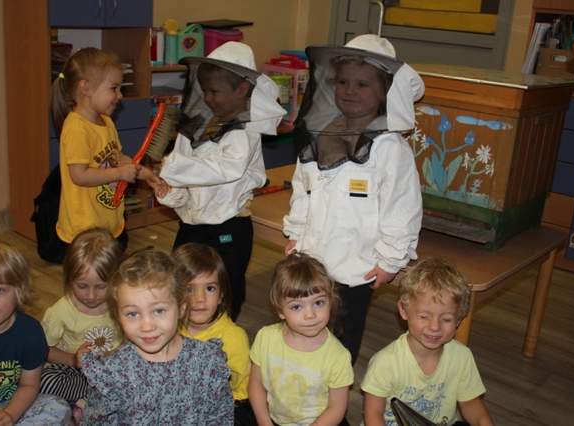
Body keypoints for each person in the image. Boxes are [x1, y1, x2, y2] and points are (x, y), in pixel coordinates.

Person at [283, 35, 424, 363]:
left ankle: (336, 387)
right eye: (343, 82)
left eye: (362, 84)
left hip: (357, 267)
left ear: (385, 91)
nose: (349, 91)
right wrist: (296, 233)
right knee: (306, 324)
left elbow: (403, 209)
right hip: (312, 260)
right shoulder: (322, 137)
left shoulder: (390, 148)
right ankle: (305, 378)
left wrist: (390, 261)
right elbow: (303, 190)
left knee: (344, 333)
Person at [157, 41, 286, 320]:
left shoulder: (245, 132)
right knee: (181, 281)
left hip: (228, 226)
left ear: (242, 90)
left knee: (224, 289)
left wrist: (174, 168)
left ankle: (221, 337)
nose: (208, 98)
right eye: (204, 90)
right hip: (191, 224)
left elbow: (225, 169)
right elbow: (184, 176)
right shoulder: (197, 127)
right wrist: (170, 191)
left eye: (214, 91)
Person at [80, 247, 233, 425]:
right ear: (118, 317)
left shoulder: (207, 362)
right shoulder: (113, 372)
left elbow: (221, 417)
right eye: (132, 314)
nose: (147, 326)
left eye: (159, 311)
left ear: (181, 309)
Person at [50, 47, 167, 262]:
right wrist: (119, 174)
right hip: (84, 230)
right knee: (90, 278)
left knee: (110, 274)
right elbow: (79, 175)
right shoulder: (77, 128)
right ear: (85, 88)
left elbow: (117, 158)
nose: (120, 95)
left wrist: (146, 174)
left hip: (108, 221)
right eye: (114, 88)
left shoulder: (105, 121)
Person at [361, 257, 494, 426]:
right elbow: (373, 413)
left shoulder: (462, 356)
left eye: (446, 319)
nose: (434, 327)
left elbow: (470, 402)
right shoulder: (386, 362)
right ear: (403, 310)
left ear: (460, 318)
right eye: (424, 317)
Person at [0, 239, 70, 425]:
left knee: (59, 406)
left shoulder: (31, 333)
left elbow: (28, 385)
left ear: (19, 293)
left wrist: (11, 414)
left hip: (17, 402)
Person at [249, 252, 354, 426]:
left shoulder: (338, 356)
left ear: (330, 302)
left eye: (318, 303)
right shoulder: (265, 338)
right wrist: (264, 422)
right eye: (297, 306)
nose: (310, 314)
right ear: (280, 310)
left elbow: (336, 409)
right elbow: (255, 386)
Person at [39, 228, 124, 416]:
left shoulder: (123, 305)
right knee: (46, 381)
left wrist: (117, 355)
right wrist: (74, 360)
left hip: (112, 371)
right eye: (82, 286)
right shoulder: (60, 312)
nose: (91, 296)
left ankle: (88, 403)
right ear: (69, 278)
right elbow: (45, 350)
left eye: (101, 286)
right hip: (73, 371)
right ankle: (93, 401)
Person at [173, 242, 256, 425]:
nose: (200, 299)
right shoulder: (166, 330)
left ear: (221, 295)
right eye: (189, 289)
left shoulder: (233, 339)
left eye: (209, 288)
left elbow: (242, 394)